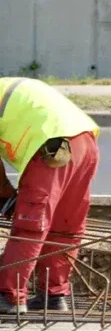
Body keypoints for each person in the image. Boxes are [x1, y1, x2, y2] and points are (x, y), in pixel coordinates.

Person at [0, 77, 101, 314]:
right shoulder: (7, 87)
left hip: (53, 147)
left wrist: (4, 195)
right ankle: (54, 295)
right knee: (64, 227)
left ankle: (9, 296)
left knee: (31, 225)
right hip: (85, 145)